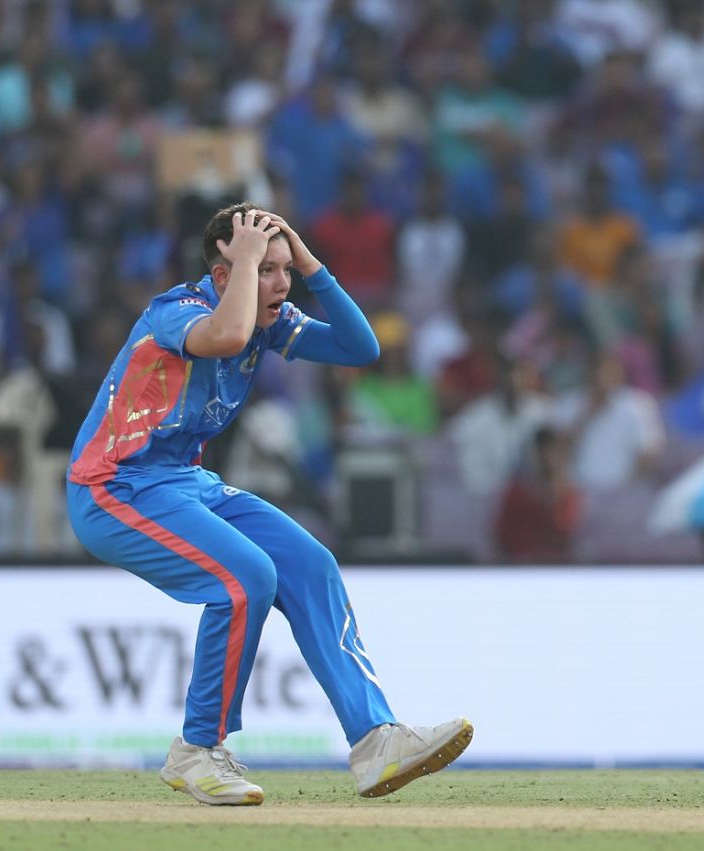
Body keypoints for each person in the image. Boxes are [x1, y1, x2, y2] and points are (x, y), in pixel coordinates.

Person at [66, 203, 471, 806]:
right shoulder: (178, 311)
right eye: (266, 269)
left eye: (286, 269)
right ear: (225, 275)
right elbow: (225, 335)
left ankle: (374, 740)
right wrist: (247, 256)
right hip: (113, 488)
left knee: (311, 563)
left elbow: (361, 349)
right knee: (244, 579)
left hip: (181, 480)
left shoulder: (267, 319)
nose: (281, 283)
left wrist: (309, 263)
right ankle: (197, 750)